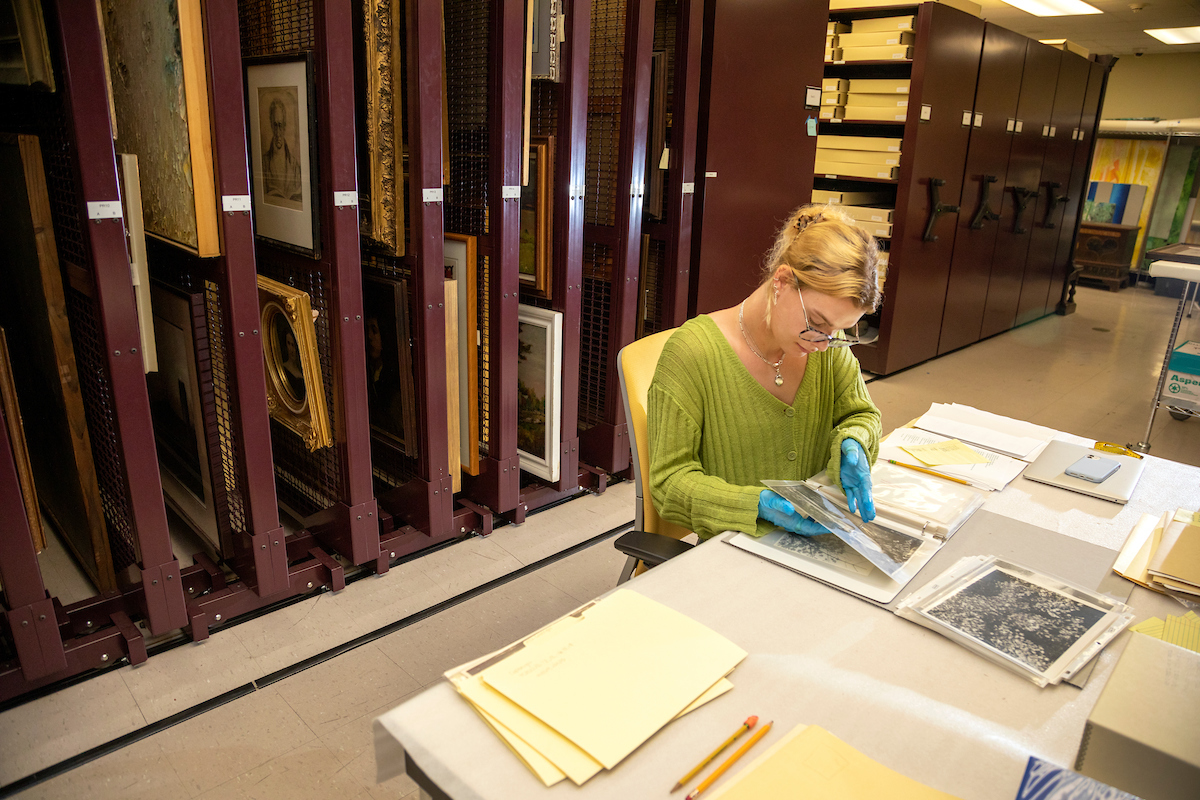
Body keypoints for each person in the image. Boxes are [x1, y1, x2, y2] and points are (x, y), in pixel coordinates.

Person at [648, 204, 884, 542]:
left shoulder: (828, 350)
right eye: (817, 324)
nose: (823, 344)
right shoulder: (693, 353)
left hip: (818, 542)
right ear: (783, 281)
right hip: (734, 550)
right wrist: (754, 504)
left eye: (840, 332)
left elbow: (860, 414)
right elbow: (669, 485)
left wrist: (855, 441)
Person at [263, 96, 303, 204]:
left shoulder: (294, 165)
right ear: (271, 125)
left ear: (284, 126)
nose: (278, 131)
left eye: (280, 125)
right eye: (275, 125)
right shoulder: (264, 162)